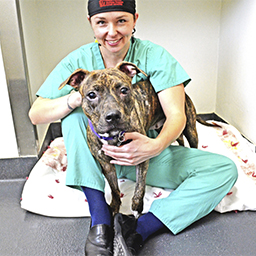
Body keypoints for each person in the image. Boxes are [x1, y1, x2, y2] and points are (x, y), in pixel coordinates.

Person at [29, 1, 238, 255]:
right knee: (73, 115)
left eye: (121, 21)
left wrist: (154, 146)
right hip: (97, 155)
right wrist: (77, 98)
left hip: (145, 151)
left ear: (135, 20)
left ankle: (138, 228)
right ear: (91, 24)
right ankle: (101, 218)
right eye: (102, 22)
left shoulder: (154, 56)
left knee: (224, 169)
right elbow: (36, 114)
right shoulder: (79, 60)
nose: (112, 31)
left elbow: (176, 115)